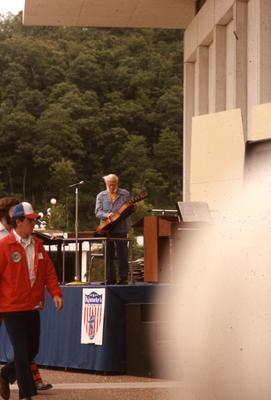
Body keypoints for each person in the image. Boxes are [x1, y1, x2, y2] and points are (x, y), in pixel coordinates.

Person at [0, 201, 63, 400]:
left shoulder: (37, 244)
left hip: (33, 304)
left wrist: (55, 293)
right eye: (30, 221)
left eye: (34, 220)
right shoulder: (4, 245)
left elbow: (48, 272)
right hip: (11, 306)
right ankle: (26, 394)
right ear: (18, 221)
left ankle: (4, 375)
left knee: (32, 349)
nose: (33, 224)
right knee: (21, 348)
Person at [95, 174, 132, 284]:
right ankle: (110, 278)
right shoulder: (101, 196)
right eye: (110, 184)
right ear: (106, 184)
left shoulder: (125, 194)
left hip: (121, 228)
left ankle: (123, 278)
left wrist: (130, 209)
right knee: (108, 254)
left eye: (114, 184)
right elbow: (97, 212)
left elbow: (129, 209)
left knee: (123, 253)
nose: (112, 187)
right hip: (107, 229)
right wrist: (107, 215)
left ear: (117, 183)